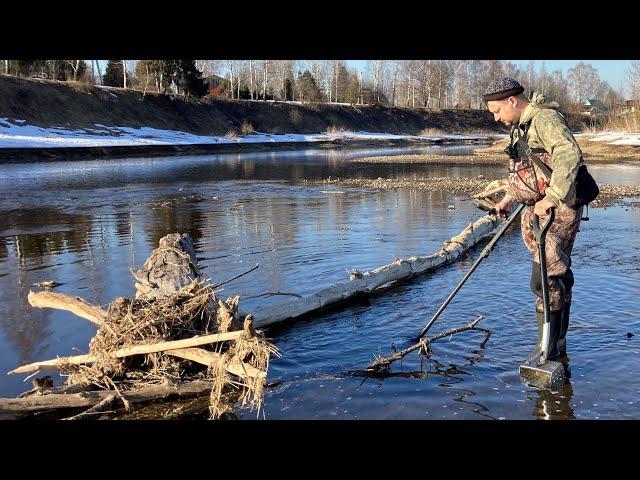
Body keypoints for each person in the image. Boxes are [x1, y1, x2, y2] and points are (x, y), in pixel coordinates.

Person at [484, 77, 585, 375]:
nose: (495, 118)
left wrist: (552, 198)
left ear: (512, 101)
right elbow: (528, 173)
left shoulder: (545, 119)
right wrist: (507, 200)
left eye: (497, 111)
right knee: (548, 278)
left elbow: (569, 155)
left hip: (558, 210)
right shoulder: (521, 128)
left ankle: (549, 348)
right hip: (536, 211)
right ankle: (553, 346)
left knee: (547, 277)